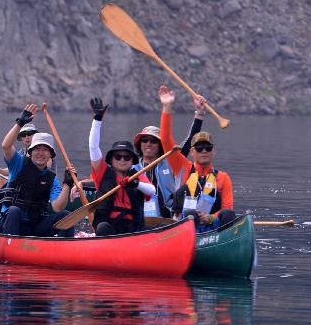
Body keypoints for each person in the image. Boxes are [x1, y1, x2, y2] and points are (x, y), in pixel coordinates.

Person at [0, 104, 76, 238]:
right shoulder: (19, 163)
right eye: (37, 149)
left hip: (36, 226)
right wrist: (20, 123)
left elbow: (57, 207)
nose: (40, 153)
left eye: (45, 149)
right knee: (14, 210)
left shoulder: (52, 178)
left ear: (51, 154)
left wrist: (67, 185)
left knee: (66, 216)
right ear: (31, 151)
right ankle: (11, 246)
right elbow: (6, 146)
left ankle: (66, 249)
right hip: (12, 223)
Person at [131, 86, 207, 218]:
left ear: (160, 145)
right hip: (140, 221)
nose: (148, 143)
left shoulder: (172, 162)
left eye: (153, 141)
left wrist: (199, 114)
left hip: (170, 221)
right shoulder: (132, 168)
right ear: (139, 144)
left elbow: (190, 140)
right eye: (145, 140)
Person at [87, 98, 157, 236]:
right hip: (109, 229)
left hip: (132, 231)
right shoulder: (103, 173)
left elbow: (151, 191)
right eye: (118, 157)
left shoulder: (137, 176)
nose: (122, 160)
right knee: (102, 227)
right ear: (111, 160)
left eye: (127, 157)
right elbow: (93, 148)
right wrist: (97, 120)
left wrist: (136, 184)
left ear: (132, 161)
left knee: (157, 228)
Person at [172, 131, 236, 232]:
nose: (204, 151)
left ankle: (224, 240)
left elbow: (227, 207)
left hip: (212, 224)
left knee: (228, 213)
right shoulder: (183, 169)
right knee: (191, 214)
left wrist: (209, 217)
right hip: (185, 226)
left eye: (208, 148)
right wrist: (166, 114)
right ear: (192, 152)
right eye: (199, 148)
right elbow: (165, 139)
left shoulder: (223, 177)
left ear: (213, 151)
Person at [0, 123, 39, 189]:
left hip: (39, 183)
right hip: (23, 184)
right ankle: (4, 198)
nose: (27, 137)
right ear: (21, 138)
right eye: (24, 134)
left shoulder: (42, 151)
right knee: (0, 179)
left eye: (30, 133)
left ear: (36, 136)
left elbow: (44, 168)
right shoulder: (21, 152)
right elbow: (12, 169)